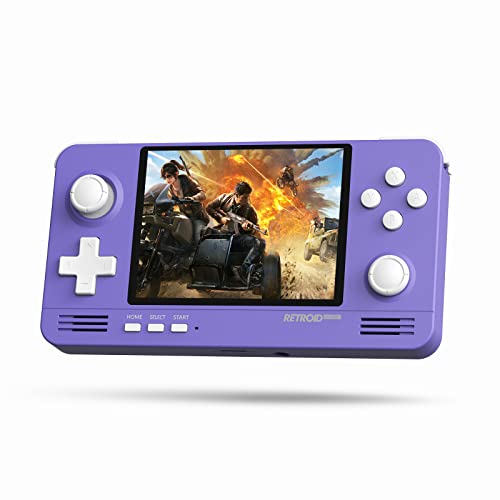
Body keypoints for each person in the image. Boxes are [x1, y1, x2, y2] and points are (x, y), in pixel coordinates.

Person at [206, 181, 266, 283]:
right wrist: (221, 218)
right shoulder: (224, 198)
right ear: (236, 195)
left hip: (237, 238)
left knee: (260, 243)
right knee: (205, 233)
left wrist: (248, 228)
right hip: (223, 235)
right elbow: (209, 207)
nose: (247, 200)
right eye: (244, 197)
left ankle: (244, 269)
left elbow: (254, 228)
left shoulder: (249, 210)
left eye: (248, 197)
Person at [144, 160, 209, 244]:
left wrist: (192, 198)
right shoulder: (170, 189)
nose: (167, 180)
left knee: (197, 239)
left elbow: (203, 194)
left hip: (197, 217)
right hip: (185, 218)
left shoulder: (187, 180)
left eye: (169, 176)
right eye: (164, 177)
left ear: (176, 173)